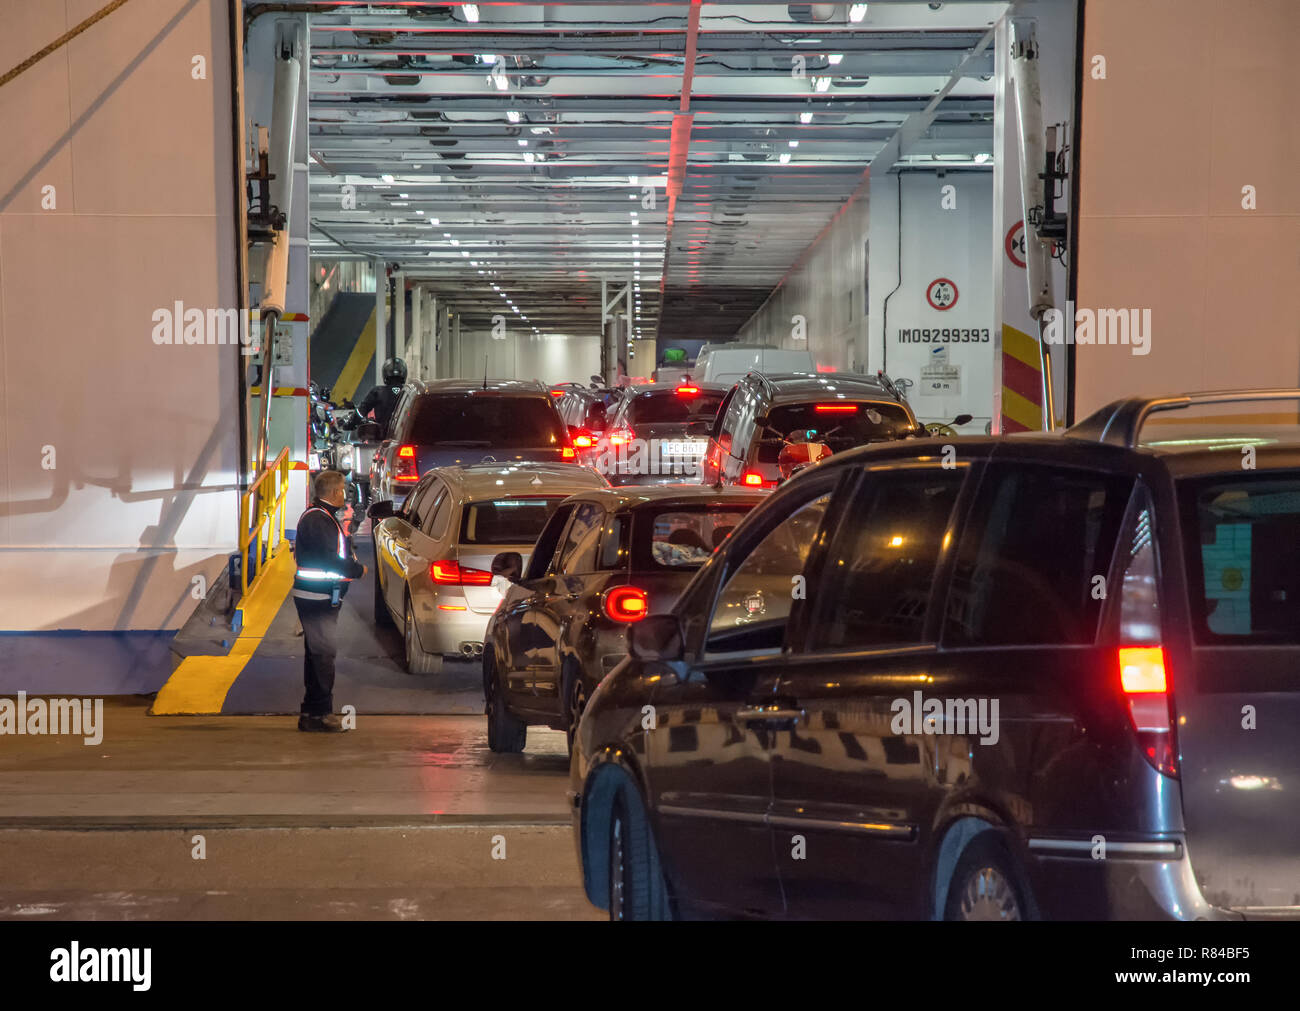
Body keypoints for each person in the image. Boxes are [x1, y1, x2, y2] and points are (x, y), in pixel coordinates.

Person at [292, 470, 366, 732]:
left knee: (316, 655)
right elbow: (327, 559)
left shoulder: (321, 518)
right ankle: (322, 714)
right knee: (323, 655)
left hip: (319, 594)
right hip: (317, 596)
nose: (345, 493)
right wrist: (357, 571)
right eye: (343, 488)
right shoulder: (318, 520)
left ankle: (311, 714)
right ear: (334, 492)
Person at [357, 357, 407, 436]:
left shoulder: (377, 392)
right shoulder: (409, 392)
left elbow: (361, 412)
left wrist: (349, 424)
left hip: (383, 437)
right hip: (405, 437)